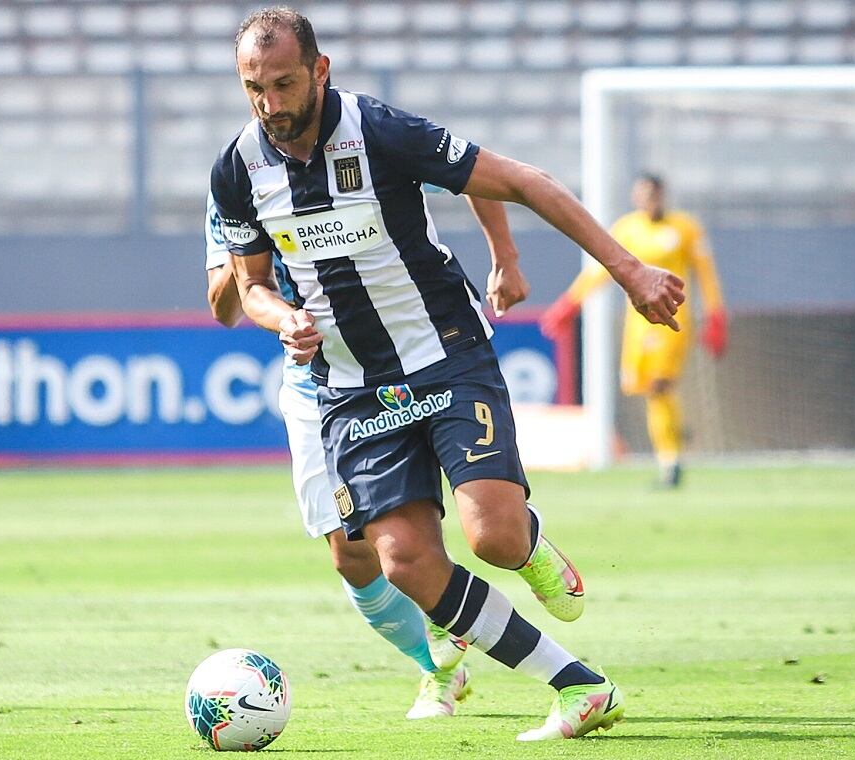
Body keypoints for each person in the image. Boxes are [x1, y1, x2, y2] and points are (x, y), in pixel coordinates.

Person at [211, 8, 685, 741]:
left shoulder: (380, 131)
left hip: (445, 354)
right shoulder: (237, 168)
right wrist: (284, 319)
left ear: (319, 70)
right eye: (254, 88)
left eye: (284, 84)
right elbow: (249, 286)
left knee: (493, 538)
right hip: (350, 388)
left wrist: (628, 271)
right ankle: (578, 685)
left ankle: (528, 542)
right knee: (403, 562)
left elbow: (522, 181)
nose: (270, 104)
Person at [205, 187, 524, 718]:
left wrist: (504, 256)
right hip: (317, 383)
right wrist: (238, 263)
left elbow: (471, 173)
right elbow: (225, 309)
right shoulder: (235, 185)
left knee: (444, 523)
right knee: (350, 554)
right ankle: (437, 665)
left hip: (412, 356)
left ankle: (519, 549)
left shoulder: (352, 154)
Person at [540, 174, 726, 488]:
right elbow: (600, 270)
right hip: (638, 324)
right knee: (649, 392)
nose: (648, 200)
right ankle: (673, 440)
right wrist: (570, 303)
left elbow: (707, 275)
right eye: (642, 194)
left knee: (659, 386)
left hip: (672, 320)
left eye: (653, 194)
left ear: (662, 194)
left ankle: (671, 463)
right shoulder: (627, 229)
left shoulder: (685, 228)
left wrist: (715, 315)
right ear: (635, 197)